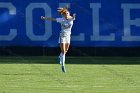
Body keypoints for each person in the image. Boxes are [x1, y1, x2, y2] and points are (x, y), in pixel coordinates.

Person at [41, 5, 76, 72]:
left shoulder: (71, 18)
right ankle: (63, 66)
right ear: (63, 15)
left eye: (68, 13)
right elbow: (52, 19)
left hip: (68, 36)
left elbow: (74, 17)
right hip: (62, 36)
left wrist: (73, 15)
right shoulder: (61, 20)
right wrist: (44, 18)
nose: (67, 15)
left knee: (66, 51)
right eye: (65, 14)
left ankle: (60, 56)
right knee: (63, 51)